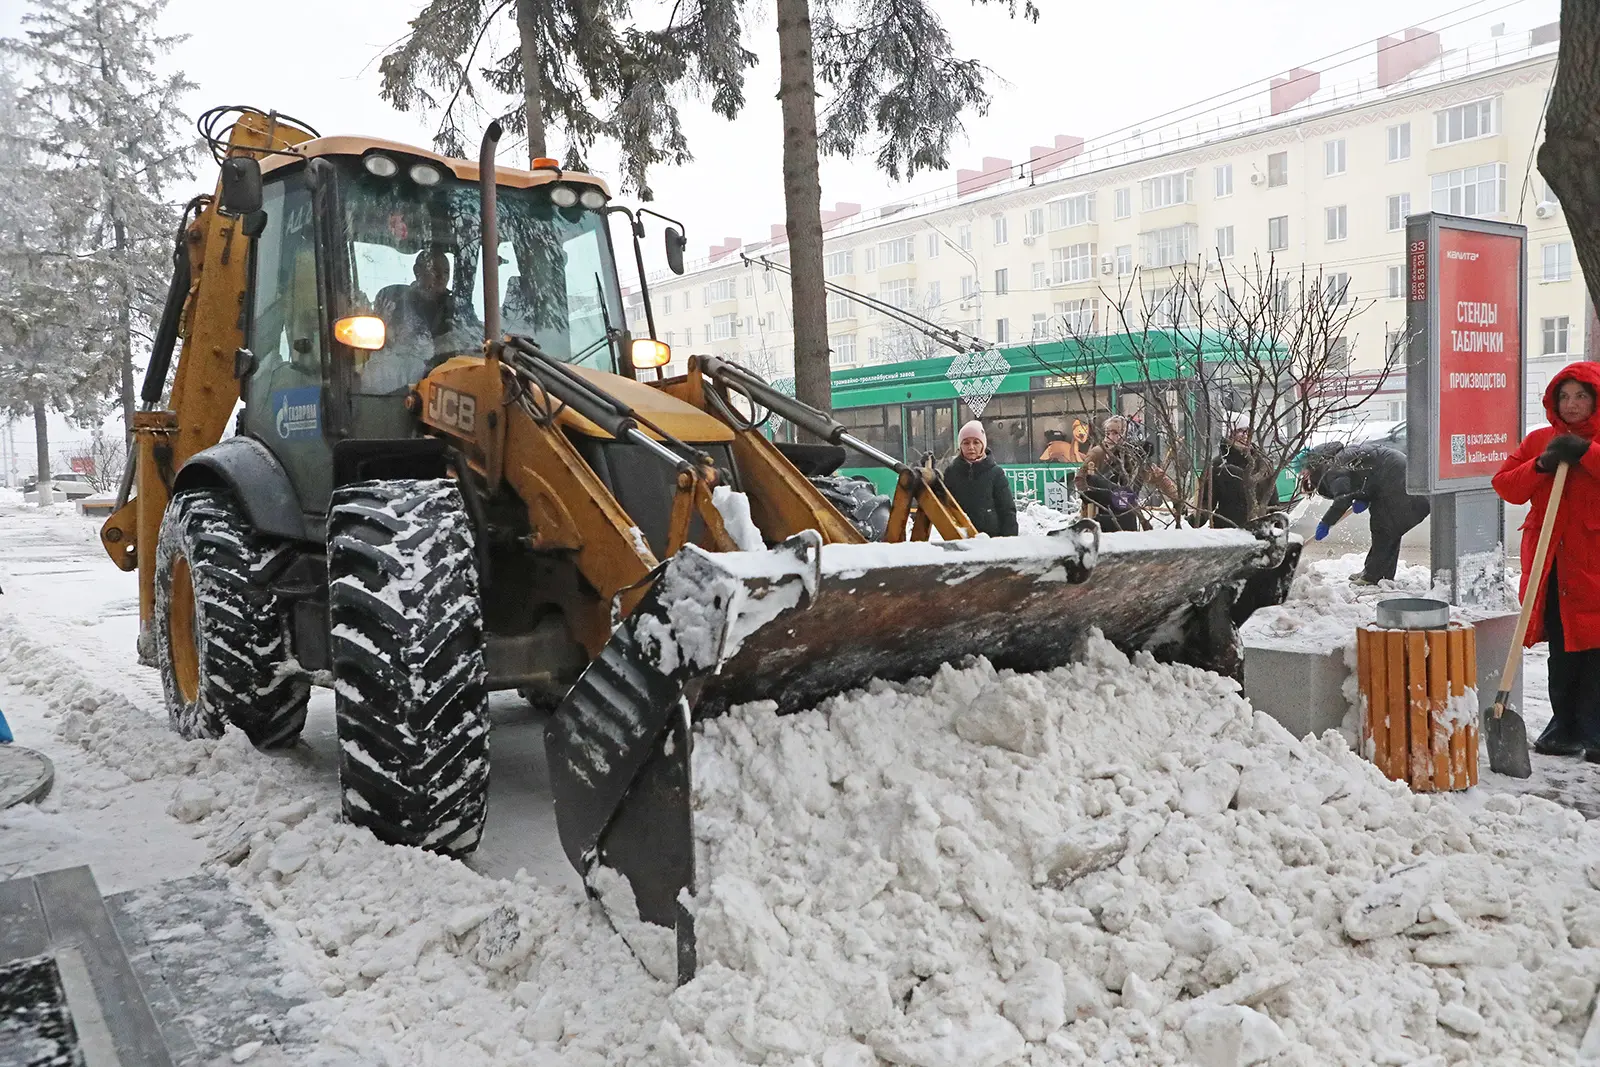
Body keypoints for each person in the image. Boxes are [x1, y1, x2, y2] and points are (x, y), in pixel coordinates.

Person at [1492, 362, 1600, 758]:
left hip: (1593, 563)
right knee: (1564, 647)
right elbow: (1506, 486)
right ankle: (1564, 726)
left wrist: (1587, 453)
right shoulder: (1540, 440)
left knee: (1594, 648)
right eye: (1564, 397)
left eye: (1581, 396)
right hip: (1552, 566)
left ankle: (1594, 730)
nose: (1572, 405)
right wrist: (1539, 465)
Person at [1301, 439, 1430, 584]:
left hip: (1402, 485)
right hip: (1398, 481)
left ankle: (1372, 576)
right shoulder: (1338, 460)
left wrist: (1326, 522)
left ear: (1312, 465)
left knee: (1384, 528)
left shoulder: (1334, 468)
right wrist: (1364, 496)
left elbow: (1342, 498)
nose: (1302, 474)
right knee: (1388, 530)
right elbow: (1367, 475)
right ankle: (1379, 574)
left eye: (1303, 470)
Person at [363, 248, 456, 393]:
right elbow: (387, 342)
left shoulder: (457, 307)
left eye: (445, 272)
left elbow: (469, 337)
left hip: (449, 377)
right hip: (400, 384)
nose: (441, 277)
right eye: (434, 271)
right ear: (417, 271)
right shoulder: (395, 303)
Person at [1074, 415, 1178, 532]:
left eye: (1116, 433)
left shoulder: (1133, 456)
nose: (1110, 437)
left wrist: (1176, 499)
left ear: (1126, 435)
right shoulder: (1098, 453)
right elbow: (1080, 478)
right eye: (1108, 433)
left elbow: (1159, 476)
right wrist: (1088, 495)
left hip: (1126, 512)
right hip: (1101, 509)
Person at [943, 421, 1019, 537]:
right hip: (960, 541)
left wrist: (1009, 542)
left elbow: (1007, 511)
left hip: (992, 541)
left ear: (983, 445)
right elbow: (940, 501)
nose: (971, 447)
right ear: (960, 446)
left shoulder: (995, 473)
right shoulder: (951, 472)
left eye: (976, 442)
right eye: (966, 443)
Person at [1206, 425, 1279, 528]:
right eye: (1239, 431)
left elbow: (1273, 500)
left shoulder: (1262, 462)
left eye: (1247, 431)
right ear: (1228, 434)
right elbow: (1206, 505)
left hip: (1259, 531)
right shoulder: (1218, 465)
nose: (1244, 435)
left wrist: (1279, 529)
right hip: (1228, 532)